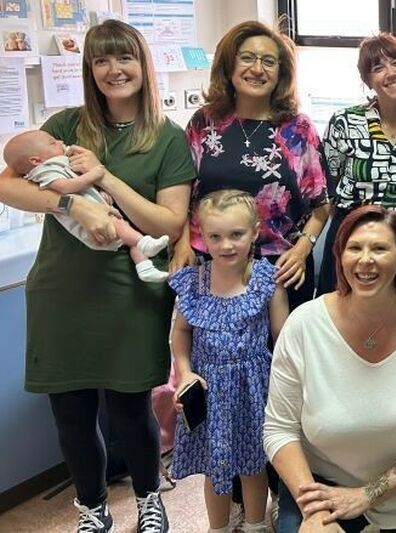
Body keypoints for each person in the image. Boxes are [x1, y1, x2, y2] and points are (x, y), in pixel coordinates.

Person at [0, 19, 195, 533]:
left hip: (130, 292)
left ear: (143, 64)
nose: (114, 70)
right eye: (102, 60)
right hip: (62, 292)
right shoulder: (65, 126)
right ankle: (92, 508)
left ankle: (149, 498)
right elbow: (8, 186)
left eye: (124, 57)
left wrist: (106, 180)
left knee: (132, 411)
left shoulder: (168, 140)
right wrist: (71, 204)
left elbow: (169, 222)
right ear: (89, 68)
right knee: (71, 414)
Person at [264, 205, 396, 533]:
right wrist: (313, 509)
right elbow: (278, 430)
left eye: (379, 248)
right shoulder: (304, 324)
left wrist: (366, 495)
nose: (365, 260)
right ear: (339, 254)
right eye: (354, 248)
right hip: (323, 488)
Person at [174, 20, 329, 311]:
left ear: (281, 73)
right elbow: (182, 198)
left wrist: (302, 249)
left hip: (281, 270)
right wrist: (182, 244)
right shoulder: (204, 122)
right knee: (212, 353)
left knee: (282, 354)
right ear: (228, 65)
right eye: (247, 58)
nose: (257, 69)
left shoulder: (298, 129)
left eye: (269, 61)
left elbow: (321, 206)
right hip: (211, 264)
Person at [170, 190, 289, 533]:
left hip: (254, 387)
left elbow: (283, 336)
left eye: (236, 234)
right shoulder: (194, 283)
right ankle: (217, 527)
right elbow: (180, 334)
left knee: (253, 465)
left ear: (255, 231)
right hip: (207, 390)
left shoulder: (267, 281)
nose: (226, 246)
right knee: (214, 466)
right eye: (215, 237)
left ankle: (255, 525)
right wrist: (185, 372)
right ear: (202, 236)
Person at [317, 33, 396, 296]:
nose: (391, 73)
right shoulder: (346, 122)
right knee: (339, 310)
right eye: (378, 68)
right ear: (367, 80)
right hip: (351, 230)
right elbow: (330, 180)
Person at [4, 130, 171, 282]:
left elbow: (84, 190)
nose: (60, 141)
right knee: (126, 231)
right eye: (52, 143)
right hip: (92, 227)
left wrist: (100, 193)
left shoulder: (59, 163)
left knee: (128, 235)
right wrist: (95, 175)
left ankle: (145, 268)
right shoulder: (45, 170)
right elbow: (65, 187)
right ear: (35, 160)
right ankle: (145, 244)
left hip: (102, 214)